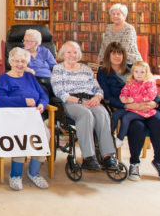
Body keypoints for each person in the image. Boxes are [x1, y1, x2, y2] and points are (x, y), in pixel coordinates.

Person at [97, 42, 160, 182]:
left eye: (120, 53)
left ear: (124, 55)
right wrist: (131, 105)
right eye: (114, 53)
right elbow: (107, 97)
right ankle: (134, 163)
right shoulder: (103, 72)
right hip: (127, 109)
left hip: (148, 107)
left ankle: (159, 162)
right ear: (108, 55)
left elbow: (152, 87)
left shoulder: (134, 68)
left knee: (159, 123)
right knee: (137, 127)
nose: (117, 56)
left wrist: (155, 103)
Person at [51, 41, 118, 171]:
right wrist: (80, 101)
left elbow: (97, 89)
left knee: (102, 113)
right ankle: (89, 157)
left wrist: (97, 97)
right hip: (71, 101)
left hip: (90, 99)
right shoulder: (58, 69)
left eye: (75, 52)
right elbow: (59, 91)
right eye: (69, 52)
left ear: (79, 54)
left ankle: (107, 156)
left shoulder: (87, 69)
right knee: (85, 114)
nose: (72, 55)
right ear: (63, 54)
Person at [0, 47, 50, 191]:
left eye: (23, 61)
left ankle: (34, 173)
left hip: (33, 116)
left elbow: (43, 95)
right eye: (17, 61)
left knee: (45, 134)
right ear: (11, 62)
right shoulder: (4, 78)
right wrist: (23, 101)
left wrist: (42, 105)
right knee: (22, 136)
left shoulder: (30, 77)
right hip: (14, 117)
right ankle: (15, 175)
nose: (20, 64)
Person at [117, 61, 159, 146]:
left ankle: (120, 139)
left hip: (144, 110)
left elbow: (150, 96)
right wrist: (123, 98)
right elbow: (124, 91)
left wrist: (133, 99)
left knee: (126, 118)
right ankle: (110, 137)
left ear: (146, 73)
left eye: (142, 72)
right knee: (115, 115)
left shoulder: (149, 83)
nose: (139, 74)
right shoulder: (131, 83)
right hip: (132, 108)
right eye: (136, 72)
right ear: (133, 72)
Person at [22, 28, 57, 97]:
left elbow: (55, 67)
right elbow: (16, 66)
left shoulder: (45, 51)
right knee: (41, 88)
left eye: (28, 41)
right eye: (24, 40)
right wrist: (27, 69)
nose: (24, 43)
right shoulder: (21, 52)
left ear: (36, 43)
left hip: (49, 80)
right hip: (33, 79)